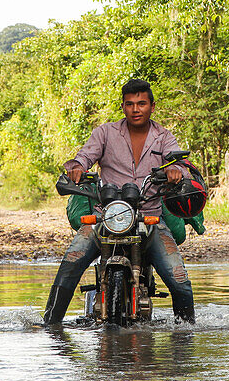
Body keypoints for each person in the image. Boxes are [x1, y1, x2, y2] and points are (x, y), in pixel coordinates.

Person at [42, 78, 195, 326]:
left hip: (149, 218)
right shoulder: (105, 133)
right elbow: (84, 157)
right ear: (123, 107)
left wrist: (176, 170)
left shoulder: (164, 137)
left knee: (179, 279)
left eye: (142, 103)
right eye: (130, 104)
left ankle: (186, 333)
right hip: (107, 216)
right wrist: (77, 168)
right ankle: (50, 326)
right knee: (69, 267)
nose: (136, 109)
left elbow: (181, 165)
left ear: (152, 106)